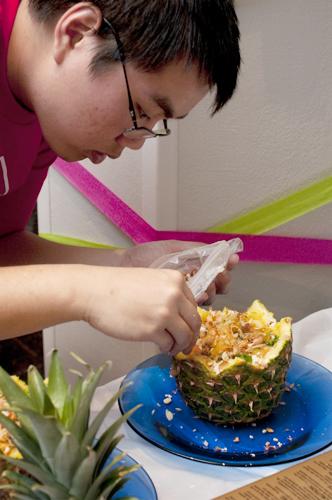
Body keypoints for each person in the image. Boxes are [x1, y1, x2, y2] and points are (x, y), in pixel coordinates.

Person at [0, 1, 241, 355]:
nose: (134, 141)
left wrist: (124, 265)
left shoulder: (41, 103)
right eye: (140, 111)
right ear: (76, 32)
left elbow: (4, 245)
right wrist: (89, 292)